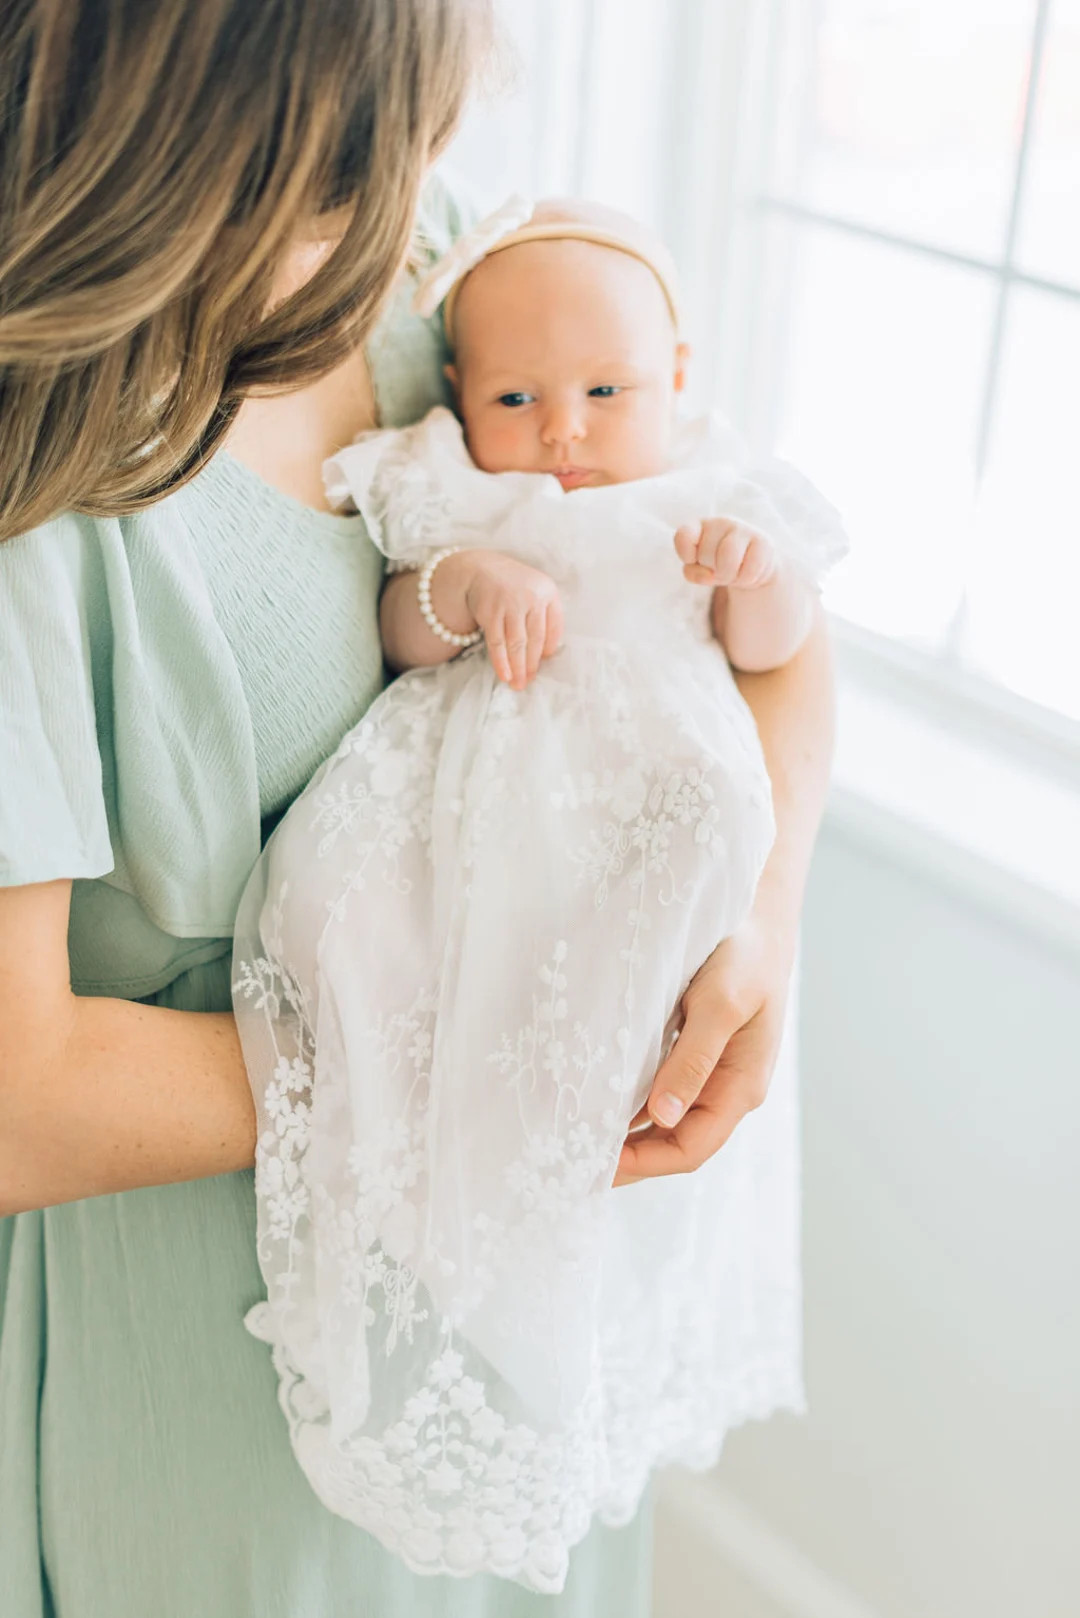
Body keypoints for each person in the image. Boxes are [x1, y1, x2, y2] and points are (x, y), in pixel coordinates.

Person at [0, 4, 836, 1615]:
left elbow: (756, 591)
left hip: (526, 1289)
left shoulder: (443, 257)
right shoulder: (40, 461)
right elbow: (18, 1094)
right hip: (219, 1355)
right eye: (384, 124)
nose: (434, 154)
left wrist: (761, 921)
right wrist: (504, 1048)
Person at [232, 197, 847, 1594]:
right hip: (479, 784)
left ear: (677, 376)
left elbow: (777, 650)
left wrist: (758, 579)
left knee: (700, 833)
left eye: (605, 394)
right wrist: (462, 588)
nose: (563, 430)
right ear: (459, 389)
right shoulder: (454, 479)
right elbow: (398, 624)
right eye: (516, 398)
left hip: (644, 784)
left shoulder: (712, 489)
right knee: (348, 905)